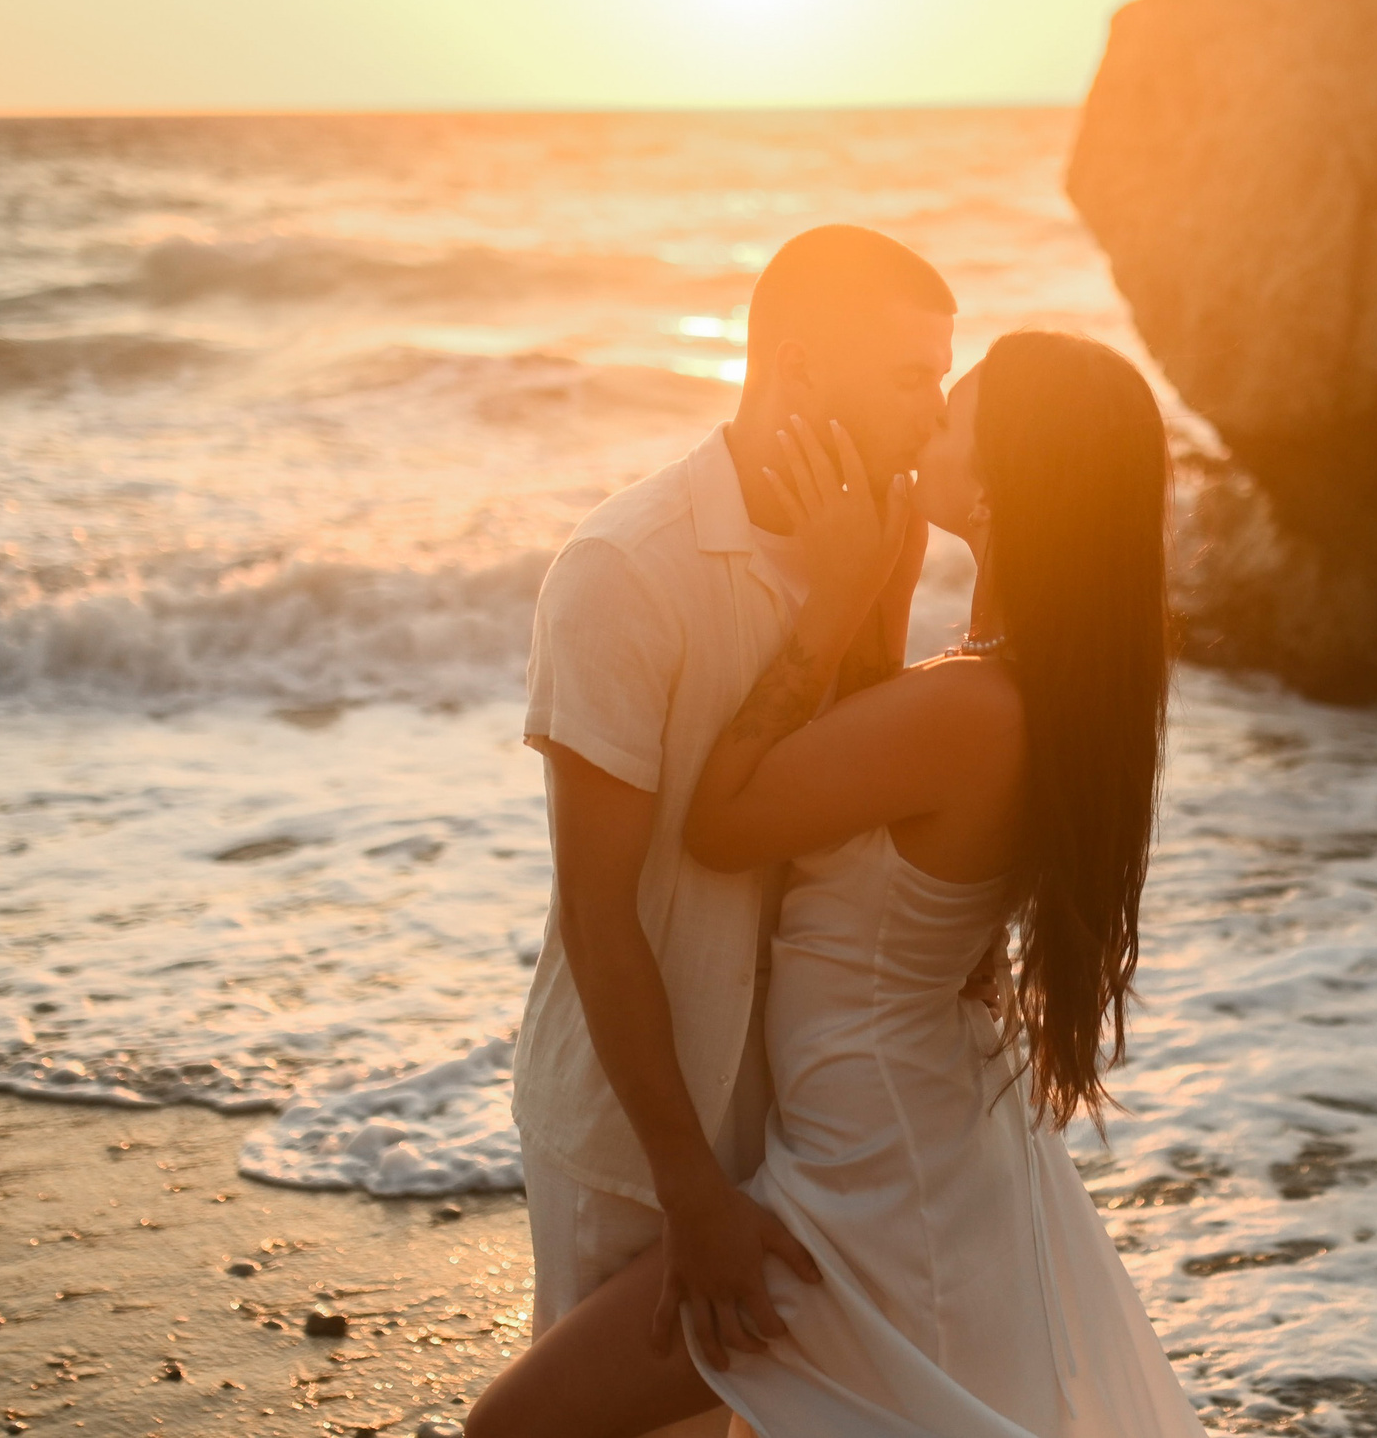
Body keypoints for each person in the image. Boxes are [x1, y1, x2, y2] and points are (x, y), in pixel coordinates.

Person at [469, 329, 1200, 1437]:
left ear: (1003, 486)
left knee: (520, 1423)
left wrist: (834, 596)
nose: (923, 422)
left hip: (870, 1183)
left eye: (951, 414)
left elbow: (723, 820)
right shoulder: (1026, 682)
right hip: (899, 1139)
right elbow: (877, 789)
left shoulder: (971, 707)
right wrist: (890, 584)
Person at [503, 224, 956, 1438]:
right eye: (912, 376)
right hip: (634, 1139)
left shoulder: (872, 541)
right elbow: (598, 914)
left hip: (796, 1131)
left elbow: (843, 828)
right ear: (799, 368)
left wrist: (869, 597)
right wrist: (687, 1182)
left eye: (944, 375)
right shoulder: (624, 571)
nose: (939, 411)